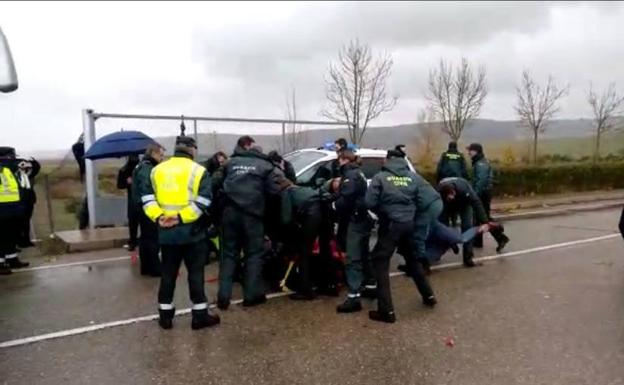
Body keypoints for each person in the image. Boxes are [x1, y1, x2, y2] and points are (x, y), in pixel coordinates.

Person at [141, 136, 219, 330]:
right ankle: (199, 316)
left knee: (168, 274)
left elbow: (147, 199)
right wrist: (181, 217)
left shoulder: (156, 170)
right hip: (193, 233)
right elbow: (204, 202)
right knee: (195, 274)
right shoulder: (199, 171)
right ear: (191, 150)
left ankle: (165, 316)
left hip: (166, 233)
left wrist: (159, 216)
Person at [365, 149, 437, 323]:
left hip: (390, 225)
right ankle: (429, 296)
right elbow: (427, 199)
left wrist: (383, 212)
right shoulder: (414, 178)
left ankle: (386, 311)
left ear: (388, 160)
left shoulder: (380, 177)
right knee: (413, 260)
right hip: (408, 224)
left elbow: (369, 202)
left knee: (380, 261)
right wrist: (411, 212)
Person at [214, 136, 285, 310]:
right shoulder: (266, 166)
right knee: (254, 254)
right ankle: (251, 296)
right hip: (252, 216)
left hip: (229, 214)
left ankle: (223, 297)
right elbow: (275, 192)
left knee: (229, 255)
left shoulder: (230, 163)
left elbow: (214, 183)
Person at [333, 150, 376, 314]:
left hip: (356, 219)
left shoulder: (351, 175)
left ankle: (353, 297)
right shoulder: (358, 172)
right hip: (364, 218)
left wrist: (333, 206)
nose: (338, 162)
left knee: (352, 257)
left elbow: (346, 199)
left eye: (339, 159)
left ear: (344, 160)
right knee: (364, 254)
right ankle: (371, 286)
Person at [279, 179, 330, 300]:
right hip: (324, 215)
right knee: (325, 250)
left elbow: (286, 219)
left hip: (311, 217)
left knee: (304, 253)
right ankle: (327, 284)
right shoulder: (304, 189)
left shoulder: (287, 192)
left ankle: (305, 290)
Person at [438, 177, 491, 267]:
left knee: (467, 227)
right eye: (449, 197)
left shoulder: (464, 188)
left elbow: (476, 203)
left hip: (464, 203)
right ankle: (449, 244)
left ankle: (468, 258)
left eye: (452, 195)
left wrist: (485, 222)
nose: (452, 198)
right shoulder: (439, 192)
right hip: (446, 205)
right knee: (443, 227)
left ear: (454, 191)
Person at [467, 143, 510, 252]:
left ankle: (500, 236)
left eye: (470, 150)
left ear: (476, 151)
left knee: (483, 218)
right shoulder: (479, 162)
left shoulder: (481, 164)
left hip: (482, 194)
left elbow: (481, 181)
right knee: (479, 218)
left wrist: (474, 195)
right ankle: (478, 242)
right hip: (483, 193)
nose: (468, 153)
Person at [131, 143, 165, 277]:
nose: (162, 158)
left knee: (145, 238)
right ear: (154, 154)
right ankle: (155, 268)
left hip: (139, 205)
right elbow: (147, 189)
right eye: (161, 155)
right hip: (147, 206)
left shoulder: (141, 165)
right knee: (152, 238)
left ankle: (145, 267)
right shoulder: (148, 169)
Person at [0, 147, 30, 275]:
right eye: (11, 156)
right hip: (1, 209)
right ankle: (0, 263)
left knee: (11, 235)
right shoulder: (3, 168)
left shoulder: (12, 169)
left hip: (13, 208)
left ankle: (12, 259)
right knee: (1, 237)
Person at [16, 156, 40, 248]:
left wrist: (31, 161)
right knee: (18, 223)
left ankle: (25, 240)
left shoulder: (29, 174)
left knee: (26, 221)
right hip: (17, 200)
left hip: (27, 200)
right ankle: (19, 241)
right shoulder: (14, 173)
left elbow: (36, 167)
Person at [118, 155, 140, 251]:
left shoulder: (125, 169)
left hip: (135, 200)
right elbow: (120, 185)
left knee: (133, 221)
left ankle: (134, 242)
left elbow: (120, 185)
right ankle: (134, 241)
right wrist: (128, 182)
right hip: (136, 199)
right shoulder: (125, 170)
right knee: (134, 221)